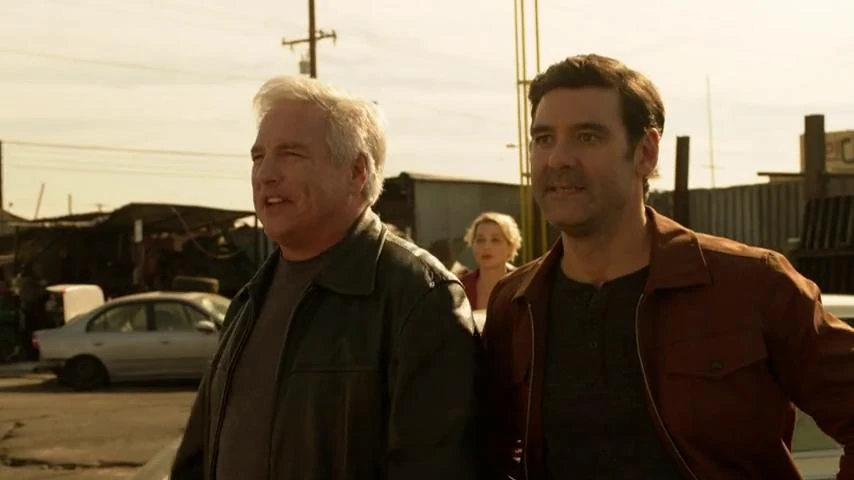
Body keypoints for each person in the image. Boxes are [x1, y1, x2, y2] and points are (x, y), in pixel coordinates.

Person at [479, 54, 854, 479]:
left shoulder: (752, 285)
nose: (558, 159)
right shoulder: (516, 304)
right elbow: (489, 453)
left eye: (587, 137)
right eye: (544, 138)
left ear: (646, 152)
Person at [172, 76, 479, 480]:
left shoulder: (419, 296)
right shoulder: (250, 298)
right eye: (258, 157)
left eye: (291, 154)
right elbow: (199, 455)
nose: (265, 174)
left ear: (356, 172)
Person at [459, 212, 522, 310]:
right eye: (480, 240)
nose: (486, 247)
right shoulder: (461, 288)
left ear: (510, 246)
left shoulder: (523, 284)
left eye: (495, 240)